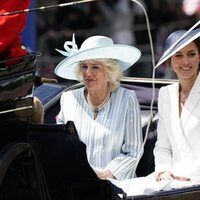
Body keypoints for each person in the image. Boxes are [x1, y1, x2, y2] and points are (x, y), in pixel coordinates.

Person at [54, 34, 143, 181]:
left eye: (95, 66)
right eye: (84, 66)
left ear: (109, 72)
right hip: (77, 184)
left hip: (115, 184)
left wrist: (106, 175)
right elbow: (61, 145)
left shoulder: (127, 99)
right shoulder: (68, 99)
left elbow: (133, 151)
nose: (88, 72)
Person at [154, 27, 200, 182]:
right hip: (173, 182)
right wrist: (163, 171)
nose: (185, 61)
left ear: (199, 57)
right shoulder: (165, 94)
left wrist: (188, 176)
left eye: (191, 54)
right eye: (178, 55)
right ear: (170, 62)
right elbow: (162, 145)